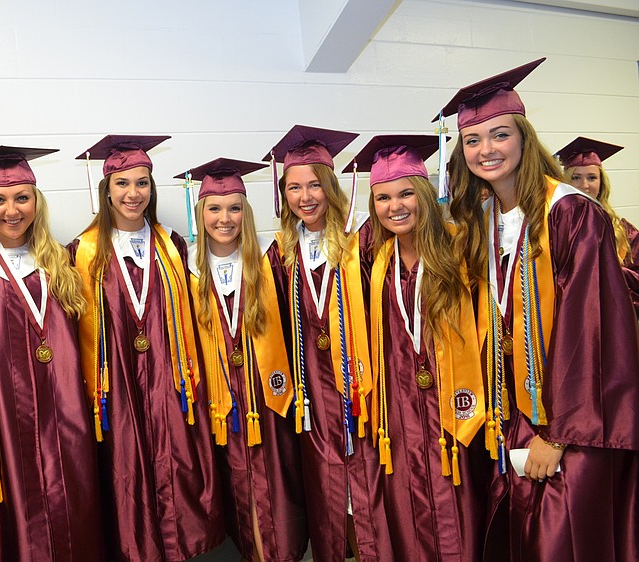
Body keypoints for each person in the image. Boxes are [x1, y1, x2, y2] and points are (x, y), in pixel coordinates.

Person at [443, 58, 639, 561]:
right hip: (510, 420)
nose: (486, 150)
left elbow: (591, 331)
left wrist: (557, 435)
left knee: (562, 541)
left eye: (500, 135)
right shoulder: (483, 220)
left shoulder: (571, 213)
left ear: (525, 140)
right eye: (472, 140)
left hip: (567, 425)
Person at [70, 135, 224, 562]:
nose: (133, 193)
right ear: (106, 190)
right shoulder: (81, 253)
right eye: (122, 183)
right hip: (117, 390)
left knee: (177, 476)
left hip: (170, 387)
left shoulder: (172, 246)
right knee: (128, 477)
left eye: (142, 183)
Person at [0, 146, 104, 561]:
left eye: (22, 198)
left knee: (74, 506)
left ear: (37, 201)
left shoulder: (61, 259)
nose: (11, 210)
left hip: (66, 412)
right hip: (4, 417)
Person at [349, 135, 488, 560]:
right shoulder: (376, 264)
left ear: (425, 194)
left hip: (458, 410)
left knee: (463, 513)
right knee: (411, 515)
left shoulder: (463, 249)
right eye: (383, 197)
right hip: (402, 415)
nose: (396, 206)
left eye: (406, 193)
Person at [265, 125, 392, 562]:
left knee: (374, 492)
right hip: (314, 402)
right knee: (329, 493)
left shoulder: (362, 243)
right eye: (294, 187)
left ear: (331, 187)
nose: (305, 197)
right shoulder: (280, 255)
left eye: (315, 184)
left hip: (363, 392)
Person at [181, 157, 308, 562]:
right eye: (214, 208)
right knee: (238, 489)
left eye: (235, 207)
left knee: (278, 490)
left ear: (246, 212)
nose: (225, 218)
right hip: (220, 407)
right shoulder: (185, 269)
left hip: (270, 400)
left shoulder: (271, 261)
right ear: (199, 214)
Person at [555, 137, 639, 312]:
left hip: (613, 313)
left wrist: (611, 271)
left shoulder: (622, 230)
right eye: (576, 178)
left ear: (601, 183)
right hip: (570, 313)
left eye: (592, 177)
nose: (584, 185)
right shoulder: (555, 227)